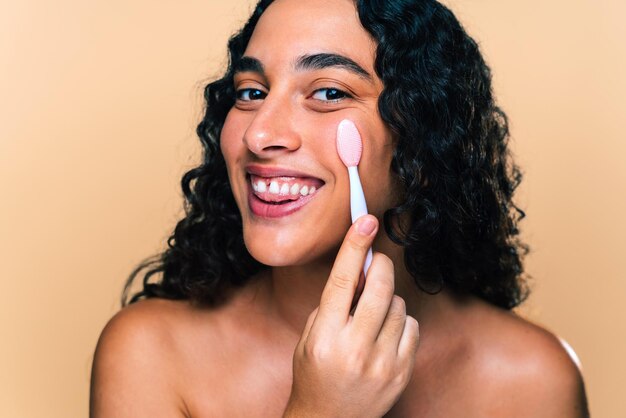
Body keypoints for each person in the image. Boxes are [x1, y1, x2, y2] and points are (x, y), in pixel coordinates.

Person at [90, 0, 589, 416]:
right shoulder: (150, 355)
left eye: (329, 92)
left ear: (425, 140)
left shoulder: (534, 382)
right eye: (250, 92)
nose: (260, 133)